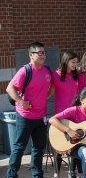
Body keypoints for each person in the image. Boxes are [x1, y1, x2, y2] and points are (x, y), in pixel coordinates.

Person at [6, 42, 52, 178]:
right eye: (39, 53)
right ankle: (11, 175)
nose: (43, 55)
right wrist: (21, 102)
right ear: (31, 55)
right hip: (25, 116)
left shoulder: (47, 71)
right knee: (19, 147)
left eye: (44, 52)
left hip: (40, 117)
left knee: (38, 148)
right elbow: (10, 88)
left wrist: (43, 98)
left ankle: (37, 174)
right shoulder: (25, 70)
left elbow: (53, 87)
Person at [51, 51, 80, 177]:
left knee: (74, 144)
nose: (75, 64)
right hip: (60, 115)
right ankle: (57, 172)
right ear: (66, 61)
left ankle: (72, 171)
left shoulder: (76, 75)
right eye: (73, 62)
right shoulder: (56, 75)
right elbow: (48, 92)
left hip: (74, 114)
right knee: (58, 145)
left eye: (76, 62)